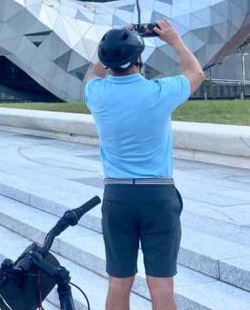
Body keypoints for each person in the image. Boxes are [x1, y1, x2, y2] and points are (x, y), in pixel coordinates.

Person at [84, 20, 204, 310]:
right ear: (138, 58)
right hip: (158, 196)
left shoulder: (96, 94)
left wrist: (110, 45)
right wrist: (174, 40)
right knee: (161, 284)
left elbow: (92, 74)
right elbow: (196, 73)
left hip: (118, 197)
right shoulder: (159, 93)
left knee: (118, 281)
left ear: (106, 60)